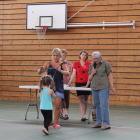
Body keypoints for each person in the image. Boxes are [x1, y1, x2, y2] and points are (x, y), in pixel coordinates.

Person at [37, 48, 69, 129]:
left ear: (60, 56)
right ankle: (49, 121)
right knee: (47, 105)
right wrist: (40, 70)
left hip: (58, 87)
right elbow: (39, 71)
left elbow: (67, 73)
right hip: (48, 88)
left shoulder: (63, 64)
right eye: (54, 55)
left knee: (57, 105)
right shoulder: (48, 63)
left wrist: (60, 71)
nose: (55, 57)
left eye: (57, 55)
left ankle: (56, 123)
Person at [88, 51, 116, 130]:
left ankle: (107, 123)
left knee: (104, 105)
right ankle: (98, 122)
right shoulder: (91, 66)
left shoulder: (106, 64)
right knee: (97, 105)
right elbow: (89, 79)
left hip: (104, 87)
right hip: (94, 88)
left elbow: (110, 76)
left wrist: (112, 86)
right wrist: (93, 73)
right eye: (93, 59)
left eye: (96, 58)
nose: (94, 60)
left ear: (100, 58)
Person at [68, 50, 91, 121]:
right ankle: (83, 115)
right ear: (80, 55)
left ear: (86, 56)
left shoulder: (89, 63)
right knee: (81, 99)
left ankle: (84, 114)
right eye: (82, 55)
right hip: (79, 83)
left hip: (87, 83)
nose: (83, 56)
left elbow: (91, 73)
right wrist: (69, 82)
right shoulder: (76, 63)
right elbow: (74, 73)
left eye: (85, 55)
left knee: (86, 99)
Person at [60, 49, 73, 120]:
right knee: (62, 98)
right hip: (60, 82)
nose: (62, 56)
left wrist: (70, 75)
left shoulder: (68, 63)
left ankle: (61, 113)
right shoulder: (58, 63)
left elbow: (73, 68)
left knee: (66, 97)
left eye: (64, 55)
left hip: (67, 82)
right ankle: (65, 113)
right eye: (61, 55)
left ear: (66, 56)